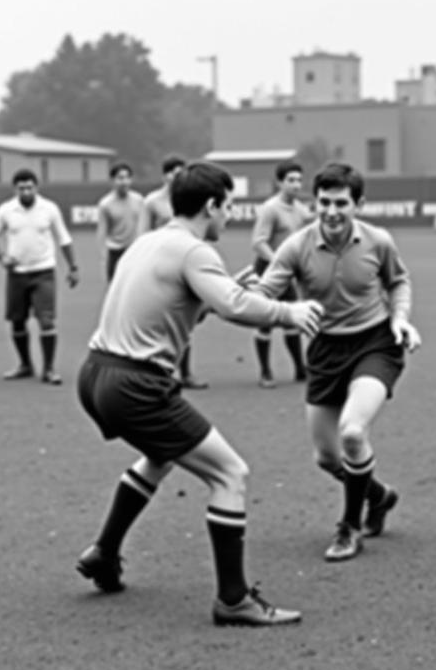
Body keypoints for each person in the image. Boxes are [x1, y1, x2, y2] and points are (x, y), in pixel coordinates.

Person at [75, 161, 323, 626]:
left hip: (95, 375)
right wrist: (290, 313)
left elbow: (182, 304)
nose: (230, 217)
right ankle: (233, 600)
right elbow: (233, 307)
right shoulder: (194, 251)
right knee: (230, 474)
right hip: (135, 384)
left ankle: (103, 552)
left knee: (160, 455)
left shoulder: (147, 242)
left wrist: (227, 292)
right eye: (228, 207)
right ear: (211, 206)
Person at [258, 161, 420, 562]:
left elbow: (398, 281)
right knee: (327, 457)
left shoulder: (378, 241)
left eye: (341, 203)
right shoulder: (296, 246)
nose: (331, 212)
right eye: (324, 202)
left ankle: (350, 527)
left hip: (375, 344)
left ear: (358, 204)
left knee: (352, 432)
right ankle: (378, 496)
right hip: (326, 350)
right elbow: (264, 295)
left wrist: (401, 320)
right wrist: (235, 296)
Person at [0, 168, 80, 385]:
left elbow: (64, 238)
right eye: (21, 188)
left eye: (29, 187)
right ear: (15, 189)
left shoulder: (49, 209)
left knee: (46, 320)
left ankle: (49, 369)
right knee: (18, 320)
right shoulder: (6, 210)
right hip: (17, 274)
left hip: (43, 272)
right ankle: (25, 364)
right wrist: (2, 256)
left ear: (36, 187)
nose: (26, 191)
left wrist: (73, 267)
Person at [138, 154, 207, 389]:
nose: (177, 177)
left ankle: (186, 373)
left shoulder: (191, 200)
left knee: (185, 320)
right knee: (159, 321)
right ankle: (164, 372)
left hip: (183, 263)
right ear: (164, 176)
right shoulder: (152, 202)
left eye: (181, 172)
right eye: (172, 173)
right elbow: (143, 235)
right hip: (159, 265)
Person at [250, 159, 313, 387]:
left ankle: (300, 369)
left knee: (292, 319)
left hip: (287, 273)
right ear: (279, 182)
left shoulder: (300, 210)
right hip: (268, 271)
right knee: (265, 320)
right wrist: (279, 262)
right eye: (291, 180)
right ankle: (265, 372)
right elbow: (258, 242)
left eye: (299, 180)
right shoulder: (270, 208)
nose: (296, 185)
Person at [96, 161, 144, 283]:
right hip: (115, 252)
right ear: (112, 181)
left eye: (128, 178)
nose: (125, 182)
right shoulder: (105, 204)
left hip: (135, 251)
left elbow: (144, 226)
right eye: (120, 178)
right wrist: (103, 258)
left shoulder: (139, 200)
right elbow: (102, 232)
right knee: (115, 290)